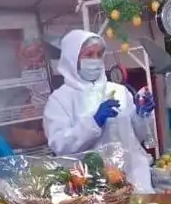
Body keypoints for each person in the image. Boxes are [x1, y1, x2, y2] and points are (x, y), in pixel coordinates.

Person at [43, 29, 155, 193]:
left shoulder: (119, 91)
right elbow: (60, 146)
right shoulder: (60, 100)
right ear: (72, 59)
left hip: (135, 179)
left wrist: (141, 115)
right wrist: (93, 122)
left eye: (99, 54)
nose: (95, 60)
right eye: (89, 55)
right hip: (94, 187)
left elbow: (138, 137)